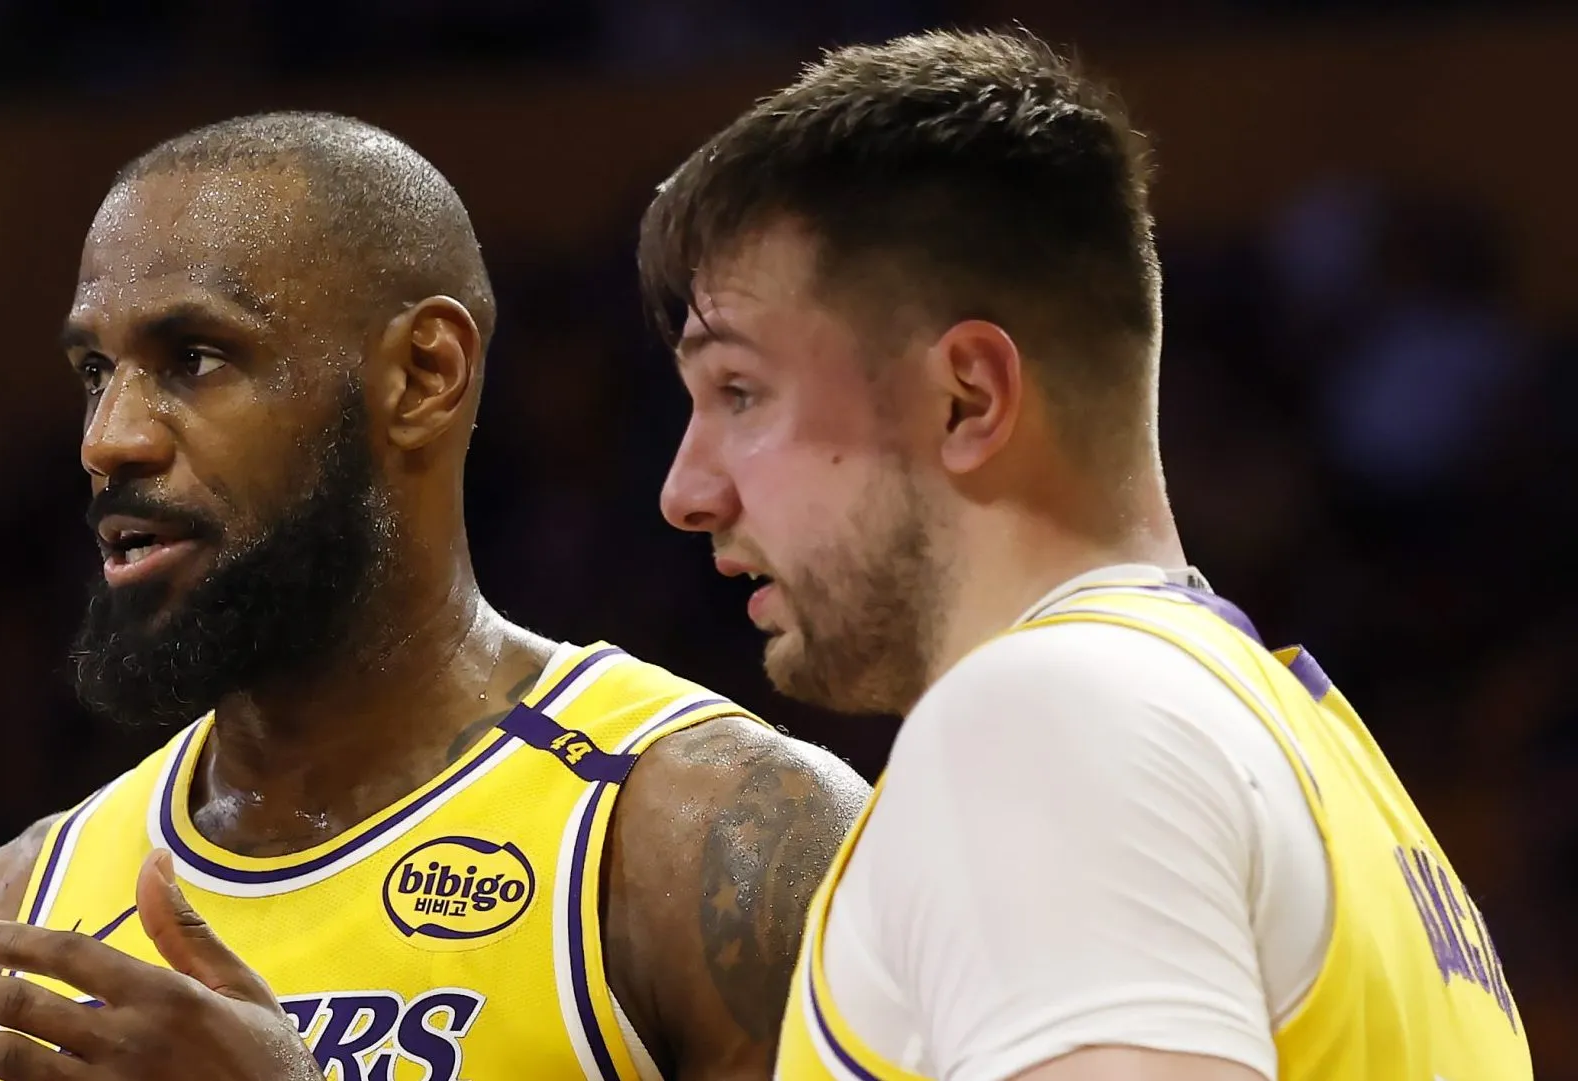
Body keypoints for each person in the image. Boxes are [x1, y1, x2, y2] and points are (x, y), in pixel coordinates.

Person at [0, 111, 869, 1081]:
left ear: (421, 375)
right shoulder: (1, 920)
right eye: (96, 372)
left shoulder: (707, 840)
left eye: (195, 358)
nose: (108, 439)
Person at [641, 29, 1531, 1081]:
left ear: (967, 397)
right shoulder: (1307, 753)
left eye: (741, 392)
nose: (686, 491)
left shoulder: (1041, 720)